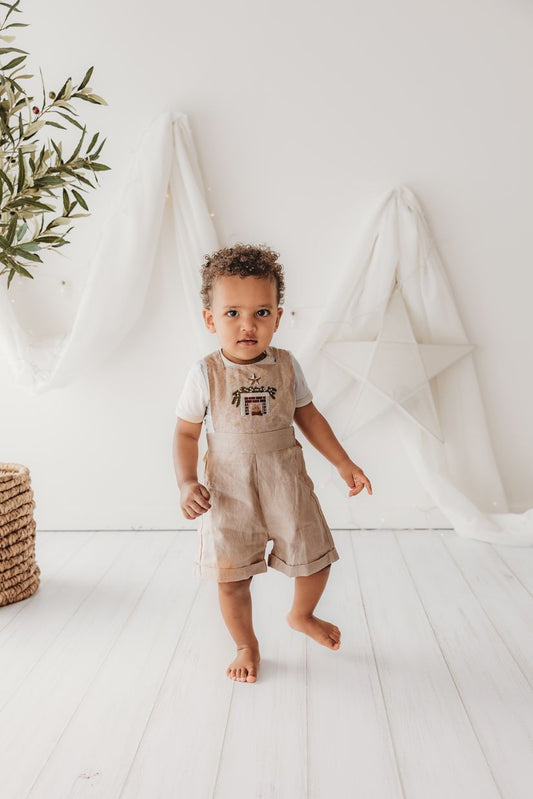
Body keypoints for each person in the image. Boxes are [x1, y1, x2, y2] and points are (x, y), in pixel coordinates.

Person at [173, 244, 372, 684]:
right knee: (231, 577)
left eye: (262, 312)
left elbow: (309, 416)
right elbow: (187, 433)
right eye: (232, 314)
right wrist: (188, 482)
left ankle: (302, 614)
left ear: (278, 317)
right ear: (210, 319)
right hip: (228, 490)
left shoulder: (287, 366)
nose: (248, 324)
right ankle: (246, 643)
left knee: (316, 557)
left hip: (285, 481)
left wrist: (343, 462)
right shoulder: (204, 374)